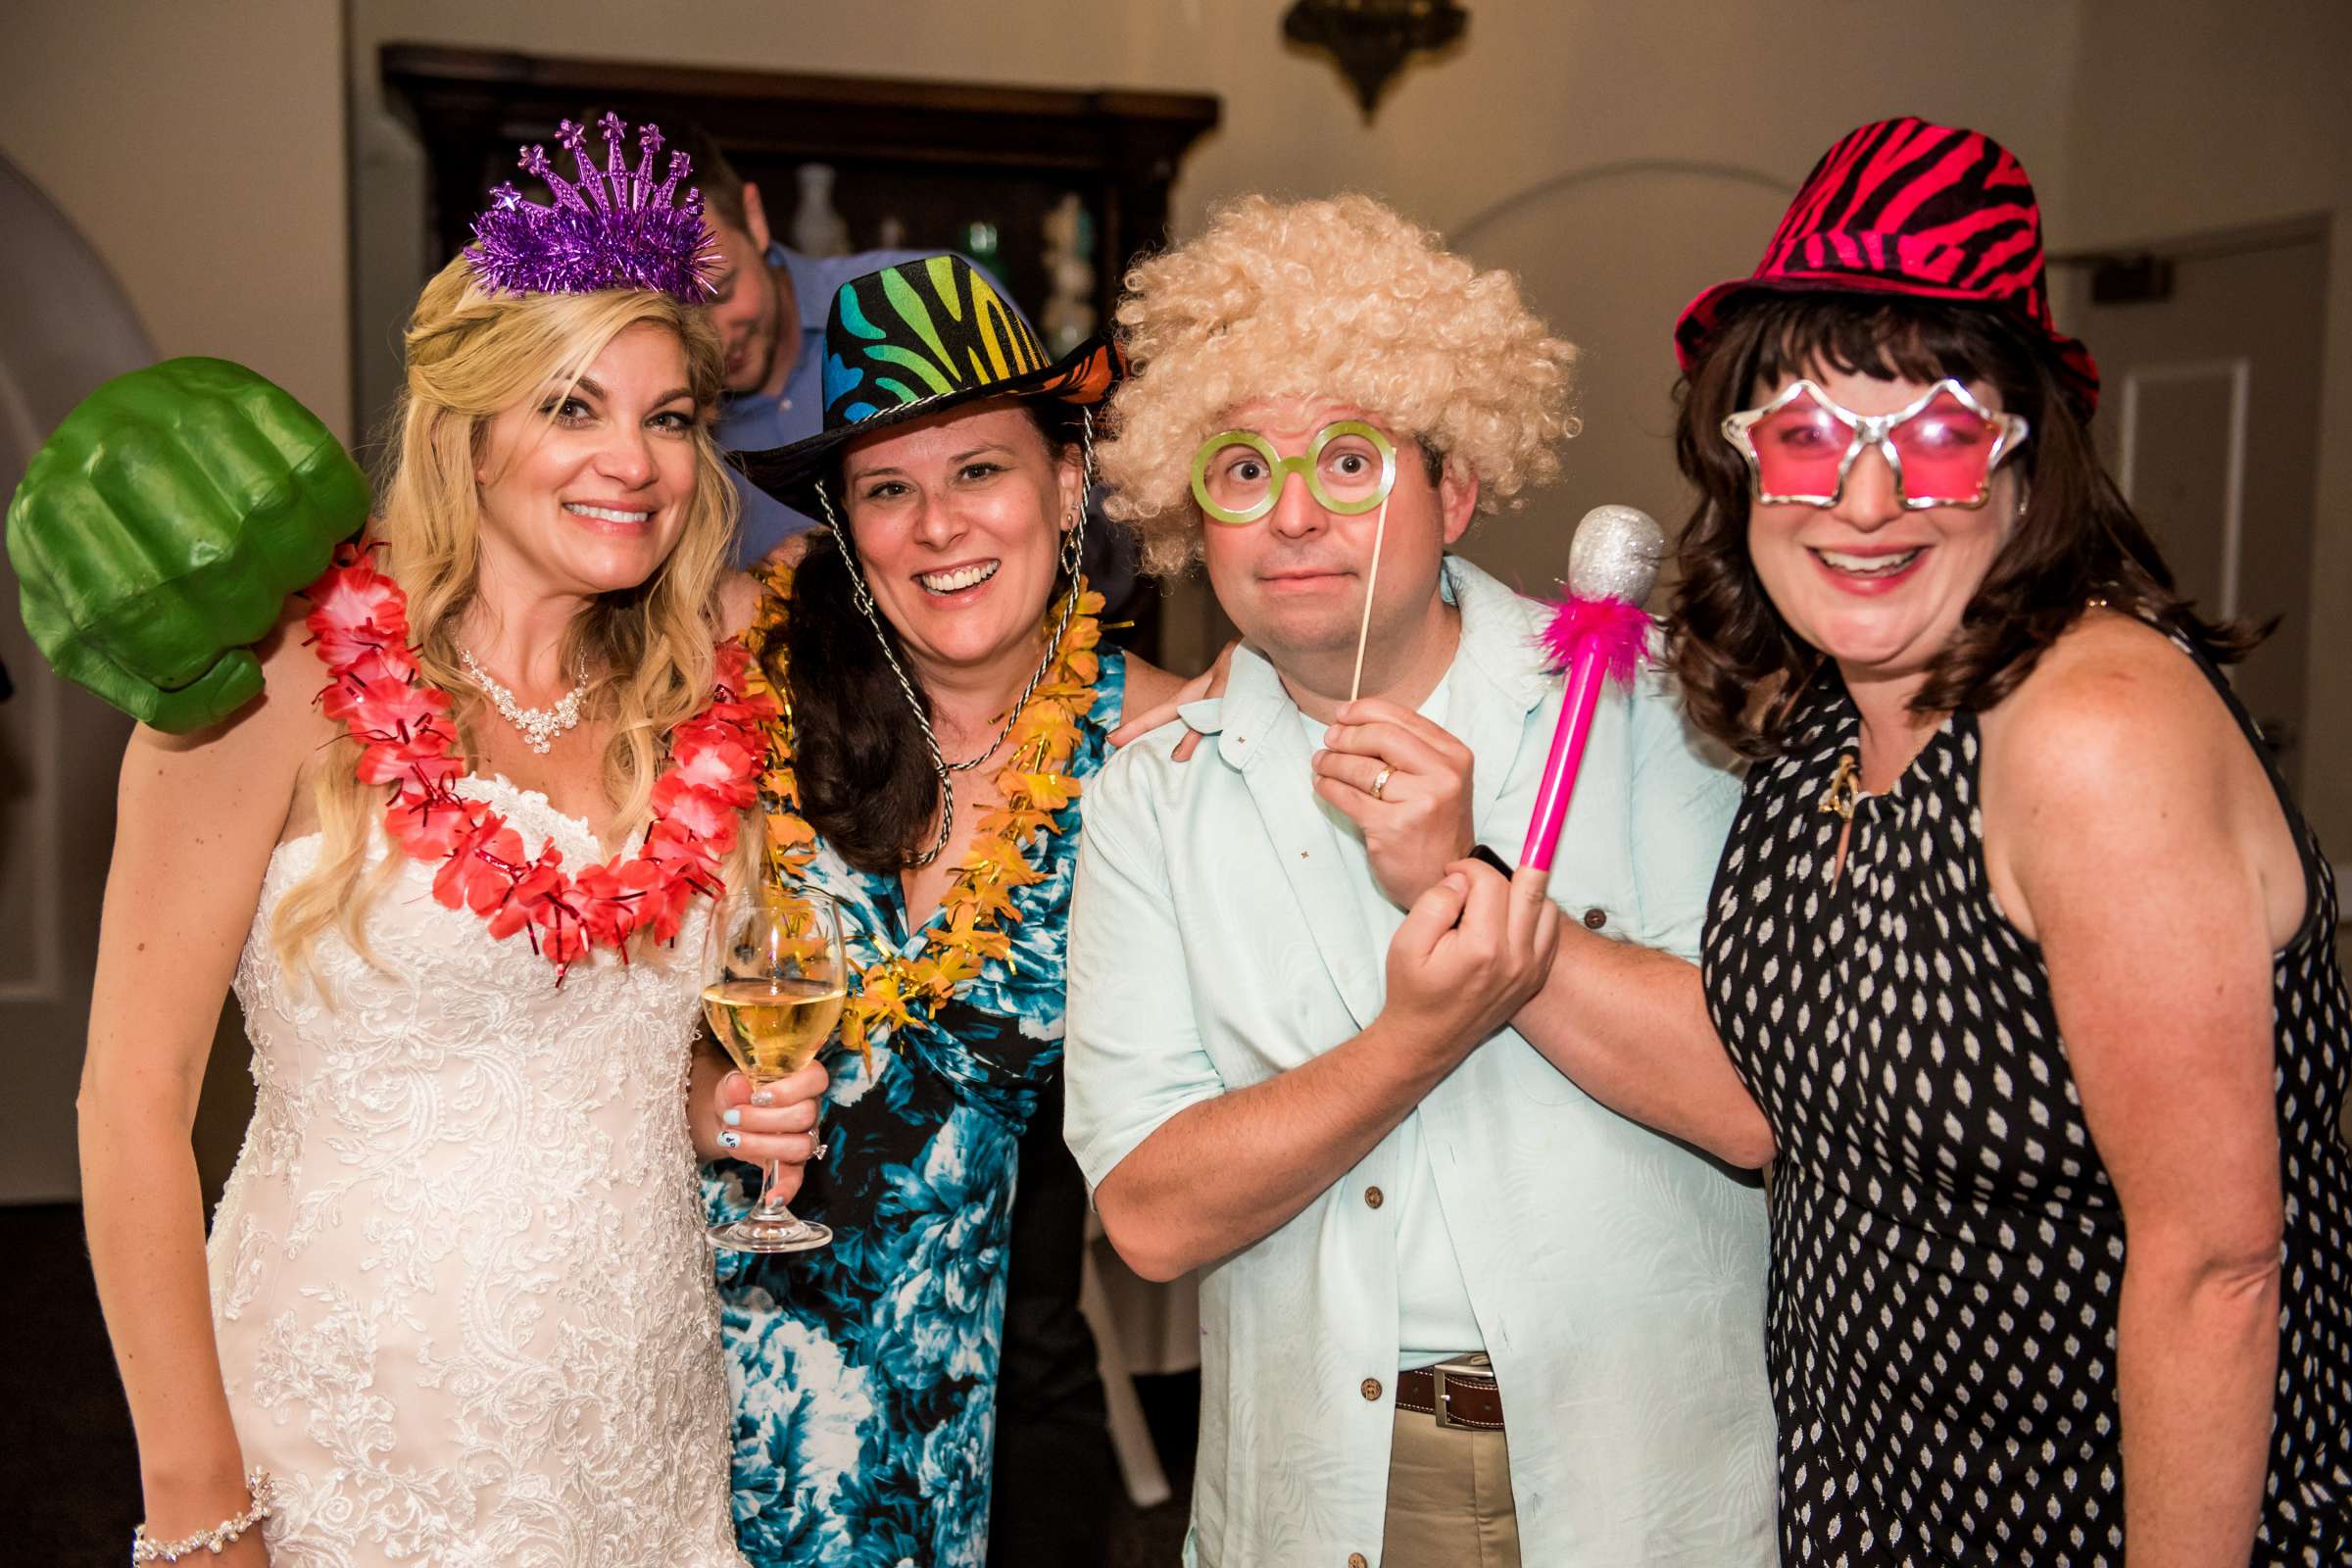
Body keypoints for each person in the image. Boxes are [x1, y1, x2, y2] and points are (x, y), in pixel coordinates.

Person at [1563, 117, 2350, 1565]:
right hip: (1872, 1509)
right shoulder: (1826, 713)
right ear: (1743, 465)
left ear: (2023, 457)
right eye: (1807, 434)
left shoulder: (2093, 731)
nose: (1865, 503)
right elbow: (1776, 1100)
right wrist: (1481, 910)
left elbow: (2217, 1267)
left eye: (1932, 433)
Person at [49, 116, 760, 1565]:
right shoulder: (270, 688)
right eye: (572, 407)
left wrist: (708, 1100)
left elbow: (603, 1031)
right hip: (357, 1443)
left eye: (670, 415)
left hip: (644, 1427)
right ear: (471, 431)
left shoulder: (696, 684)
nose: (634, 461)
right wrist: (197, 1506)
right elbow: (129, 1106)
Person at [1062, 193, 1778, 1567]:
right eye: (1240, 473)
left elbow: (1751, 1108)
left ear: (1453, 490)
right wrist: (1409, 1043)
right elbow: (1150, 1215)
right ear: (1189, 518)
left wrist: (1468, 881)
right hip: (1323, 1493)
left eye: (1349, 461)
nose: (1293, 519)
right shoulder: (1157, 800)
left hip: (1644, 1484)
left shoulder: (1653, 716)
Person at [683, 252, 1191, 1568]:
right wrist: (698, 1085)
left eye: (980, 471)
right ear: (845, 528)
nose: (940, 526)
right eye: (889, 490)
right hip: (668, 1376)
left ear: (1067, 481)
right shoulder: (736, 676)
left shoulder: (1168, 750)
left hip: (956, 1426)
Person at [679, 130, 942, 562]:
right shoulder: (653, 441)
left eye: (721, 292)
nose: (714, 338)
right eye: (678, 315)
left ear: (754, 217)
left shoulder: (922, 298)